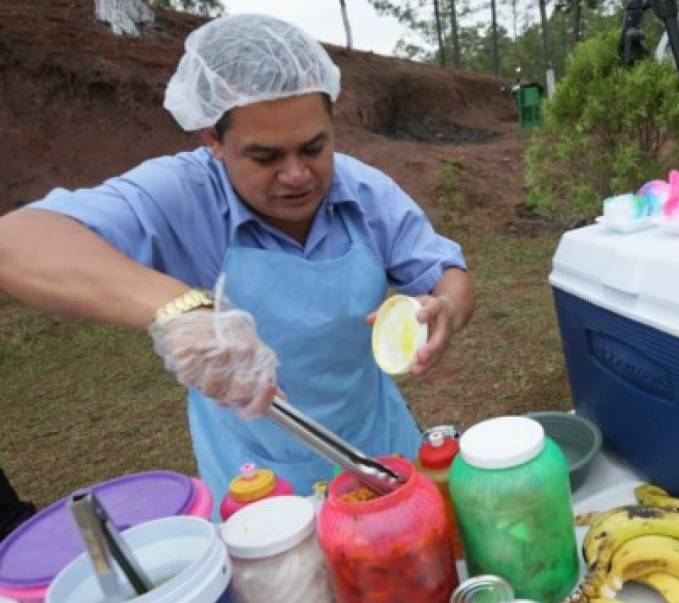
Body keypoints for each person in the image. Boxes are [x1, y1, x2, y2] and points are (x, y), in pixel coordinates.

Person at [0, 15, 475, 508]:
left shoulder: (367, 193)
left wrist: (445, 307)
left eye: (314, 147)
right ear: (213, 139)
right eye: (265, 157)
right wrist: (183, 311)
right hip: (257, 483)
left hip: (380, 450)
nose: (297, 175)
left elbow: (451, 278)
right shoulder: (181, 195)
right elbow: (16, 241)